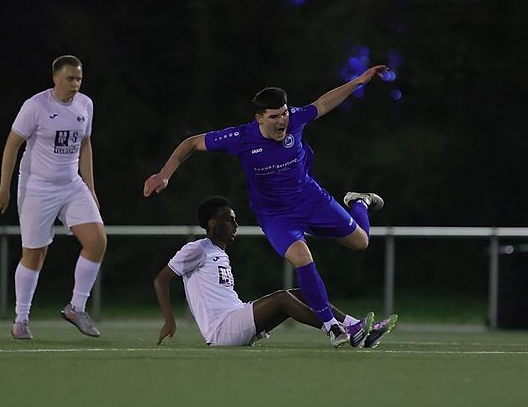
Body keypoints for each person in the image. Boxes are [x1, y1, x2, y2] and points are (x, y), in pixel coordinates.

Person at [144, 65, 388, 343]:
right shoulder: (241, 137)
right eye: (274, 116)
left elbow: (324, 103)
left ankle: (358, 201)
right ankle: (332, 326)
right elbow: (191, 143)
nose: (282, 120)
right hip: (276, 215)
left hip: (310, 198)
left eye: (284, 113)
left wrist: (359, 81)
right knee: (302, 257)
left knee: (361, 242)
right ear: (259, 118)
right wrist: (164, 174)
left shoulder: (295, 119)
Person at [154, 196, 397, 347]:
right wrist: (169, 321)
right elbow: (161, 280)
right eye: (229, 220)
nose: (235, 225)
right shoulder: (197, 248)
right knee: (282, 299)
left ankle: (356, 327)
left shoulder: (218, 252)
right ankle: (335, 329)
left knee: (303, 292)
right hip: (221, 329)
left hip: (235, 317)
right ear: (212, 223)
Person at [0, 55, 106, 340]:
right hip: (37, 187)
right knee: (35, 254)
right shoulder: (36, 106)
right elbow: (12, 145)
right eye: (70, 78)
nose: (75, 84)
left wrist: (91, 188)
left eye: (79, 78)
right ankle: (21, 319)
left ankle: (76, 308)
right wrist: (5, 187)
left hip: (72, 185)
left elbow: (85, 146)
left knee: (97, 241)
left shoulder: (85, 104)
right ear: (55, 78)